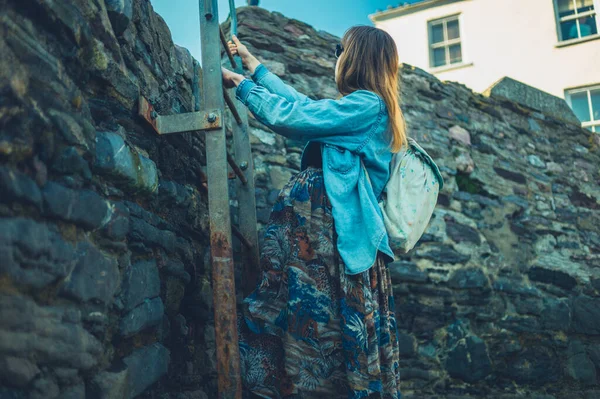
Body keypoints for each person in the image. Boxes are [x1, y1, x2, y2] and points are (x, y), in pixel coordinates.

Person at [222, 26, 407, 398]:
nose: (336, 55)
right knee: (310, 324)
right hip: (320, 238)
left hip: (327, 243)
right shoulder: (364, 108)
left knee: (319, 329)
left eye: (341, 48)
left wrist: (243, 86)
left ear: (357, 57)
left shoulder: (368, 106)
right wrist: (255, 68)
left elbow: (297, 119)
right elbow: (307, 108)